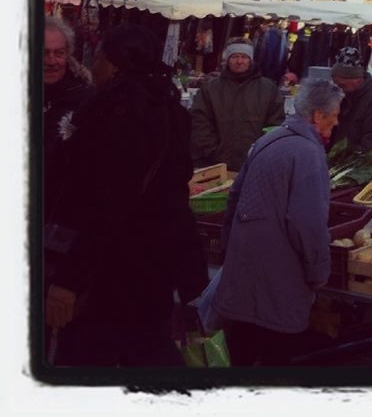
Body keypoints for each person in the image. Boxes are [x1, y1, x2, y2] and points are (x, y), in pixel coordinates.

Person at [44, 24, 207, 367]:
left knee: (88, 358)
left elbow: (107, 205)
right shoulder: (168, 109)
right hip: (154, 269)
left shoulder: (114, 114)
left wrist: (69, 279)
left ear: (115, 64)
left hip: (111, 272)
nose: (95, 64)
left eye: (99, 57)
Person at [211, 77, 341, 366]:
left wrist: (228, 250)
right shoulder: (307, 153)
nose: (334, 126)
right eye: (333, 120)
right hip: (281, 280)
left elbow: (234, 199)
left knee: (240, 351)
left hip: (245, 273)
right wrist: (318, 271)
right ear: (318, 115)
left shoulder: (267, 139)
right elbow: (308, 223)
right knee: (275, 357)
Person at [190, 40, 284, 172]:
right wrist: (212, 151)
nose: (239, 61)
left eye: (244, 57)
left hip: (255, 164)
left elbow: (275, 125)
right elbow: (199, 122)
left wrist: (262, 152)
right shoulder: (211, 88)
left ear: (251, 60)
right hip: (215, 164)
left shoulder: (268, 89)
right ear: (227, 60)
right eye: (234, 56)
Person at [42, 16, 94, 219]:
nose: (52, 61)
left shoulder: (85, 97)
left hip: (62, 211)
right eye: (44, 53)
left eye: (59, 53)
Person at [329, 46, 372, 172]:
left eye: (341, 85)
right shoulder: (344, 98)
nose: (337, 88)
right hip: (343, 171)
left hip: (370, 178)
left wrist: (340, 170)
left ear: (357, 80)